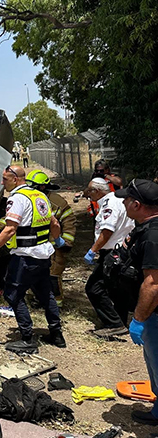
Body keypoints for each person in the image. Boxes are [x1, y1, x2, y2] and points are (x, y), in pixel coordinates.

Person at [0, 165, 65, 353]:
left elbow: (10, 229)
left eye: (5, 179)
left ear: (16, 179)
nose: (2, 182)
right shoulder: (40, 196)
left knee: (13, 294)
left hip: (26, 256)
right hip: (43, 255)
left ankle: (27, 338)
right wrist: (57, 239)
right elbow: (54, 223)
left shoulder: (17, 199)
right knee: (45, 294)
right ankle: (57, 335)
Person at [112, 179, 158, 426]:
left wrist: (139, 319)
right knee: (154, 366)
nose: (123, 202)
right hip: (151, 314)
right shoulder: (145, 228)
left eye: (126, 199)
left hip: (154, 315)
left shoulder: (153, 236)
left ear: (137, 204)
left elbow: (153, 284)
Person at [84, 178, 135, 337]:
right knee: (117, 288)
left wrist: (93, 250)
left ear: (97, 191)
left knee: (94, 288)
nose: (88, 194)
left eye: (90, 190)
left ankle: (113, 323)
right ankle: (120, 321)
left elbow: (107, 231)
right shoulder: (120, 200)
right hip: (124, 250)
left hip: (112, 253)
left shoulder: (109, 205)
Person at [26, 170, 76, 306]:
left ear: (42, 187)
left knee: (53, 274)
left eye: (33, 187)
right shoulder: (28, 199)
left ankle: (56, 303)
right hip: (34, 244)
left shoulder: (56, 202)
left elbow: (69, 220)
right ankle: (40, 299)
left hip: (53, 246)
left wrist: (64, 241)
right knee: (34, 273)